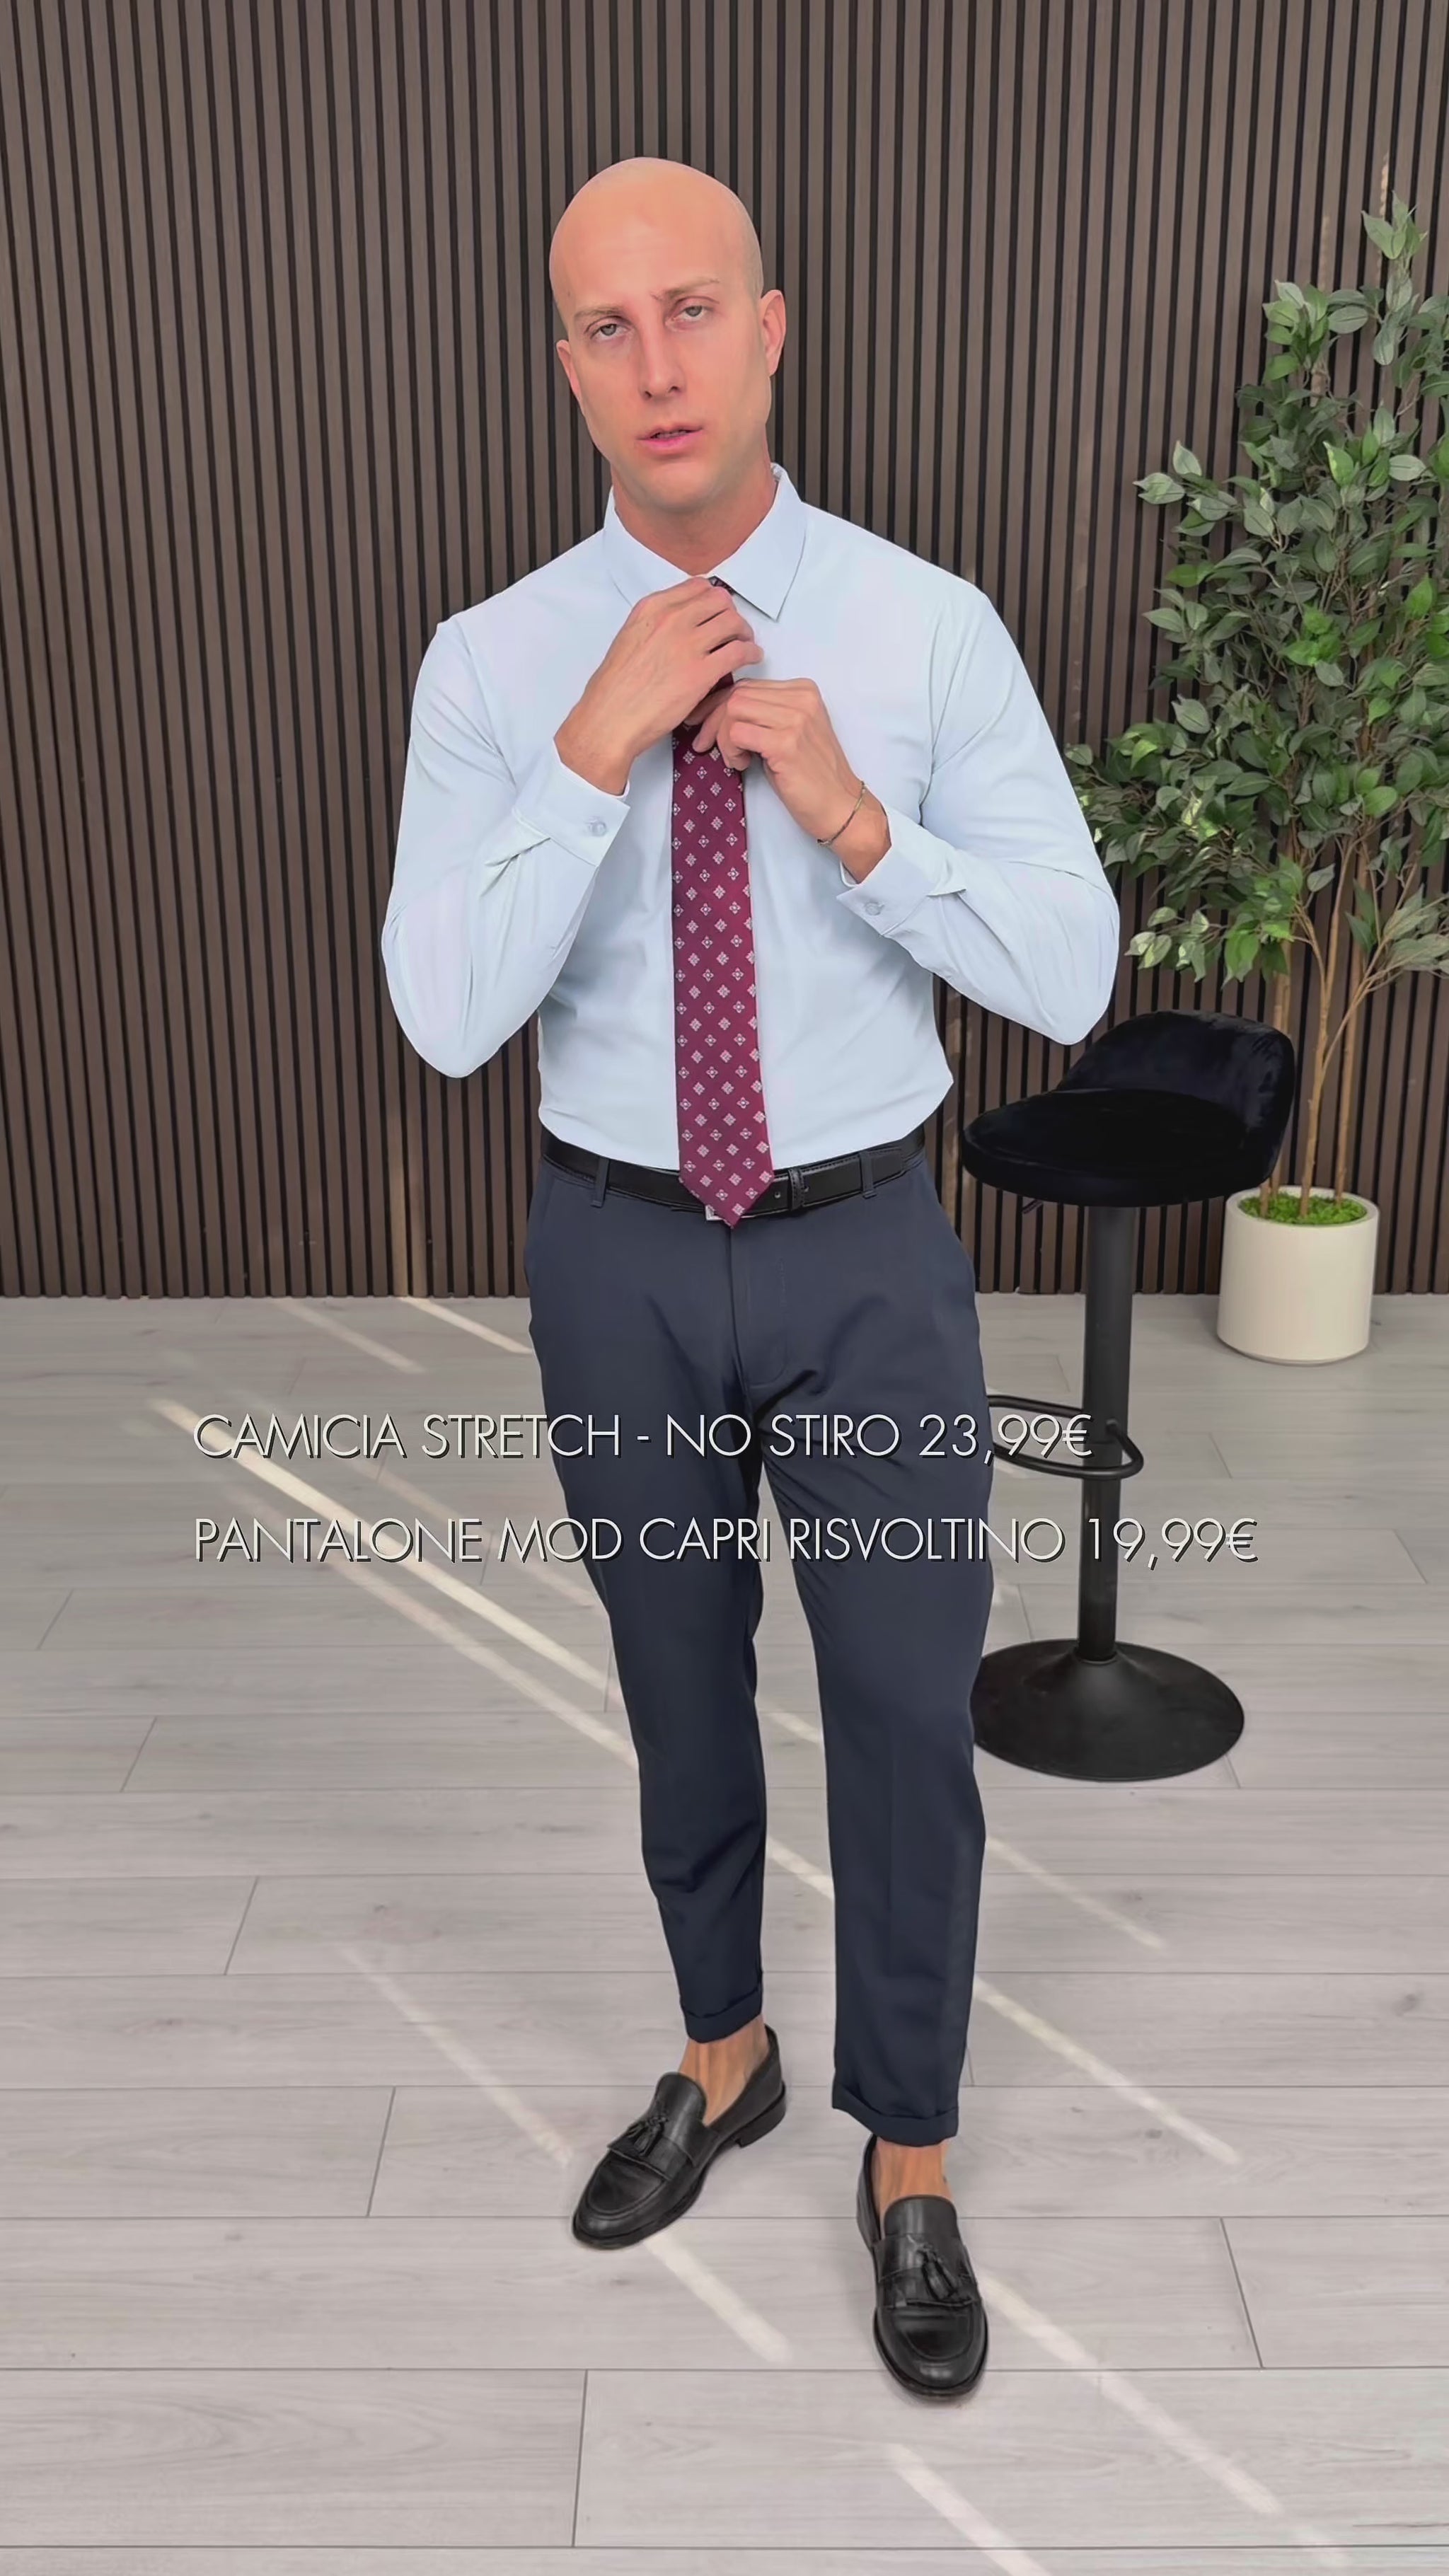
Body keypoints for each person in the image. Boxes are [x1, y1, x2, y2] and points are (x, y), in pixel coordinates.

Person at [381, 154, 1119, 2401]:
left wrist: (862, 824)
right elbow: (444, 1013)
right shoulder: (498, 663)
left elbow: (1073, 971)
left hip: (865, 1254)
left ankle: (914, 2149)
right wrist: (592, 748)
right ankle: (726, 2056)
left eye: (693, 309)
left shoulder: (925, 628)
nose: (658, 364)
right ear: (568, 363)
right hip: (615, 1252)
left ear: (773, 328)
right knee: (678, 1689)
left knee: (902, 1709)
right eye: (607, 326)